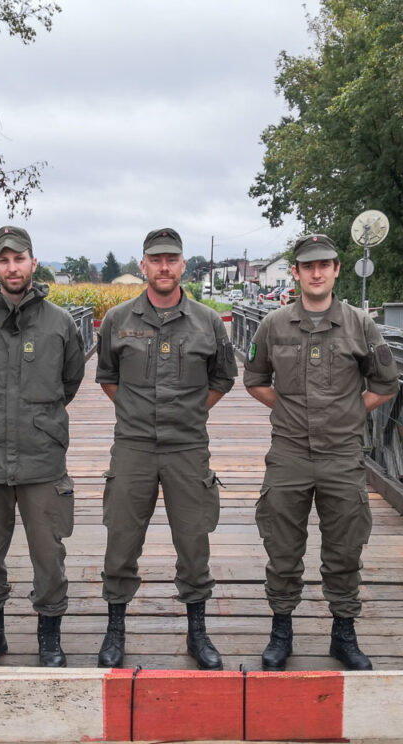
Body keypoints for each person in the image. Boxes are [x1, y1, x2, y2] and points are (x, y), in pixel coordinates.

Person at [243, 233, 399, 671]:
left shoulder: (360, 325)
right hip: (289, 452)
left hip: (341, 454)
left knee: (346, 546)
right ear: (295, 273)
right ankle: (281, 631)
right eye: (308, 266)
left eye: (324, 265)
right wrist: (293, 411)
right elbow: (254, 379)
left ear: (335, 270)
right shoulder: (273, 325)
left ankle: (343, 634)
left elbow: (385, 384)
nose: (316, 272)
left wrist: (348, 411)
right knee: (282, 546)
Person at [95, 227, 238, 670]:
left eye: (171, 259)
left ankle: (198, 632)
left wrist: (191, 412)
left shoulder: (207, 321)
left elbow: (223, 377)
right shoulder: (119, 320)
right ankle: (114, 630)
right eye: (155, 259)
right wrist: (139, 414)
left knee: (194, 542)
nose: (163, 267)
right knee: (121, 540)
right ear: (143, 265)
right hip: (134, 447)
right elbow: (106, 377)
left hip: (187, 448)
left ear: (182, 265)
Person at [0, 224, 85, 667]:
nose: (12, 267)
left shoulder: (60, 323)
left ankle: (50, 637)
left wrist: (36, 419)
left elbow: (71, 380)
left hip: (42, 457)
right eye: (4, 260)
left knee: (49, 554)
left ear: (33, 261)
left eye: (19, 258)